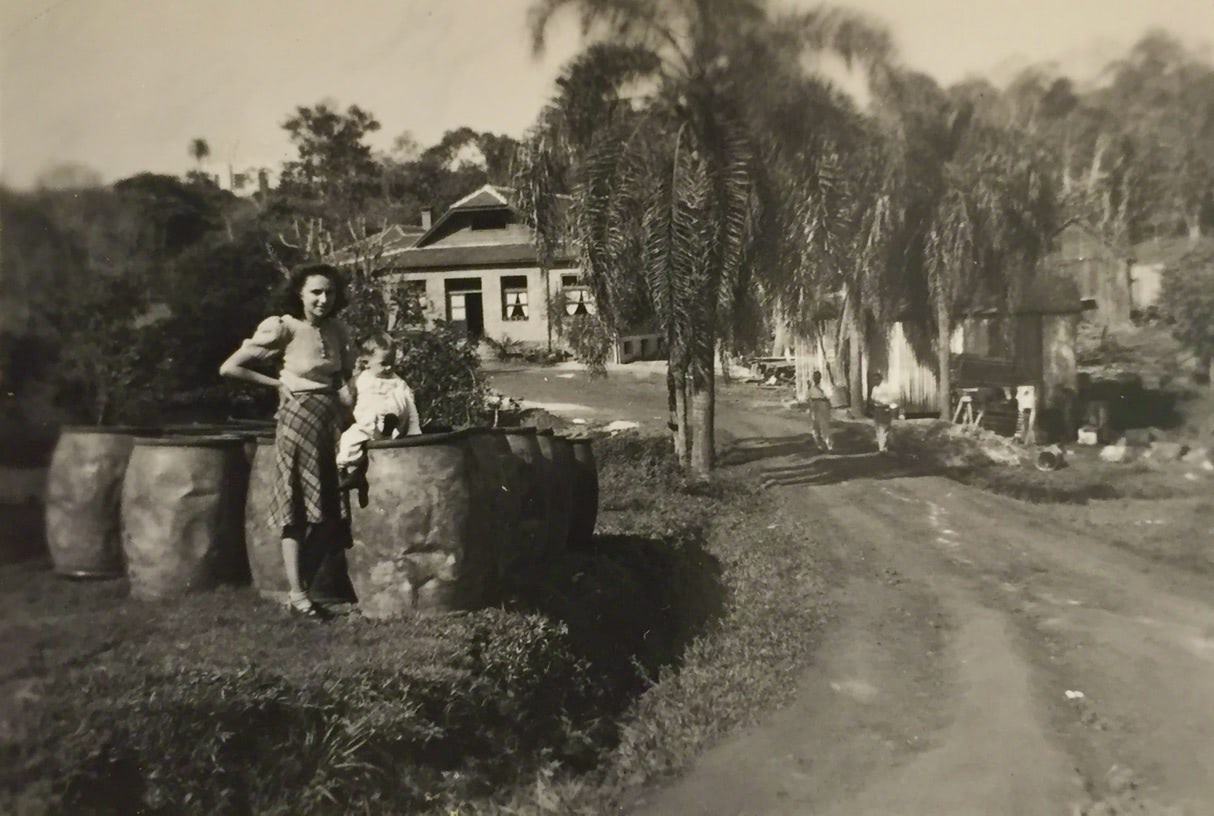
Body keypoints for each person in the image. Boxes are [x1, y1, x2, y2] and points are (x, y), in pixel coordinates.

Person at [219, 263, 357, 620]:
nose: (323, 299)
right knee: (296, 510)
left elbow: (346, 377)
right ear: (300, 293)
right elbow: (230, 367)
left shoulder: (338, 329)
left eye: (329, 292)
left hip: (331, 423)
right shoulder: (284, 326)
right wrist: (277, 385)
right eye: (315, 292)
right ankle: (298, 593)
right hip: (297, 421)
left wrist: (350, 407)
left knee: (331, 512)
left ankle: (302, 588)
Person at [336, 333, 422, 503]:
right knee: (349, 438)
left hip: (395, 425)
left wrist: (414, 430)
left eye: (392, 363)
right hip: (368, 427)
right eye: (383, 363)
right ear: (366, 363)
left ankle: (387, 424)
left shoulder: (398, 382)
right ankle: (348, 471)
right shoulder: (360, 380)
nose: (389, 368)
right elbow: (345, 399)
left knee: (400, 398)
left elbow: (411, 408)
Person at [870, 372, 900, 453]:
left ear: (881, 379)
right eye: (874, 380)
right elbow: (872, 398)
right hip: (877, 409)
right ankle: (883, 446)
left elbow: (892, 399)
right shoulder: (874, 388)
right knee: (878, 429)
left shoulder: (886, 388)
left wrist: (887, 405)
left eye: (877, 379)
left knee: (884, 428)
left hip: (885, 409)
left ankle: (882, 448)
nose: (875, 381)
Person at [807, 370, 834, 452]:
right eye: (814, 377)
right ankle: (819, 445)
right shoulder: (811, 387)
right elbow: (808, 397)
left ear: (820, 377)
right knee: (815, 426)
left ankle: (829, 445)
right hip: (813, 404)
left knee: (824, 425)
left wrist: (822, 391)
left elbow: (829, 395)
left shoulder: (824, 386)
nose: (816, 378)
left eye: (817, 377)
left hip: (822, 403)